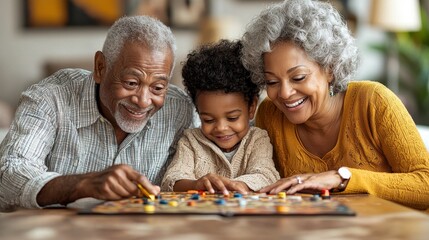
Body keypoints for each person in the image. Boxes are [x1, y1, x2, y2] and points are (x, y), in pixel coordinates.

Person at [241, 0, 429, 210]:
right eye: (272, 82)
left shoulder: (374, 102)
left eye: (299, 77)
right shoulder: (270, 113)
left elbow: (426, 184)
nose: (284, 93)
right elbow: (267, 181)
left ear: (330, 68)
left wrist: (342, 178)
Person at [0, 16, 196, 211]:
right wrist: (82, 185)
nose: (143, 101)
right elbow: (10, 173)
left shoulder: (180, 110)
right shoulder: (50, 97)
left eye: (158, 87)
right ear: (100, 67)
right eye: (131, 83)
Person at [161, 40, 280, 194]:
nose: (221, 128)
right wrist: (196, 184)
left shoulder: (257, 139)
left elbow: (267, 175)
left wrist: (236, 185)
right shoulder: (191, 141)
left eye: (232, 118)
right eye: (208, 120)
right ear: (198, 111)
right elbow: (171, 180)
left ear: (251, 108)